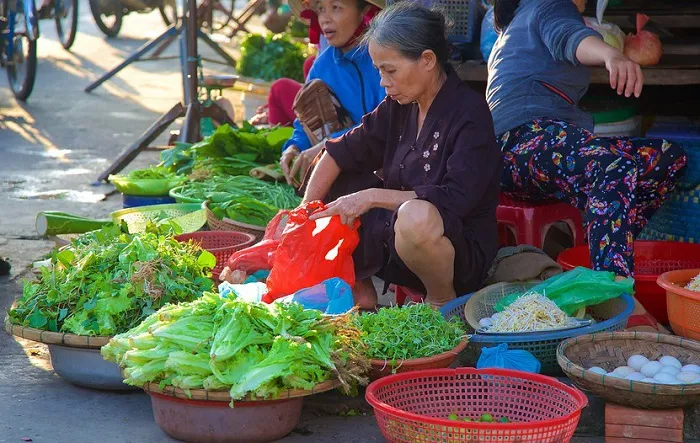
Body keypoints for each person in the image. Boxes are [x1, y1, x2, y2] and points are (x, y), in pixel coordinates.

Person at [486, 0, 687, 330]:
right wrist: (611, 55)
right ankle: (616, 298)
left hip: (523, 153)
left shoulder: (519, 20)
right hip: (522, 144)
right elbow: (569, 38)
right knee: (613, 168)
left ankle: (597, 254)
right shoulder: (549, 4)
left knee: (667, 156)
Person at [301, 2, 502, 309]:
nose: (383, 81)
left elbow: (455, 198)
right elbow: (340, 152)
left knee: (415, 216)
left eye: (390, 70)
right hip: (395, 248)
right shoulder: (399, 105)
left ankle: (442, 304)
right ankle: (361, 291)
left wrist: (371, 196)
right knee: (335, 178)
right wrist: (303, 213)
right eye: (380, 70)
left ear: (427, 60)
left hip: (456, 254)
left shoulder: (469, 114)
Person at [279, 0, 387, 186]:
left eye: (336, 8)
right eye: (321, 9)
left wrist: (329, 147)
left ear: (366, 12)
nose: (325, 19)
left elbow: (384, 126)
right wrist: (294, 147)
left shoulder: (384, 63)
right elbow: (305, 123)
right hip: (339, 170)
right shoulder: (322, 65)